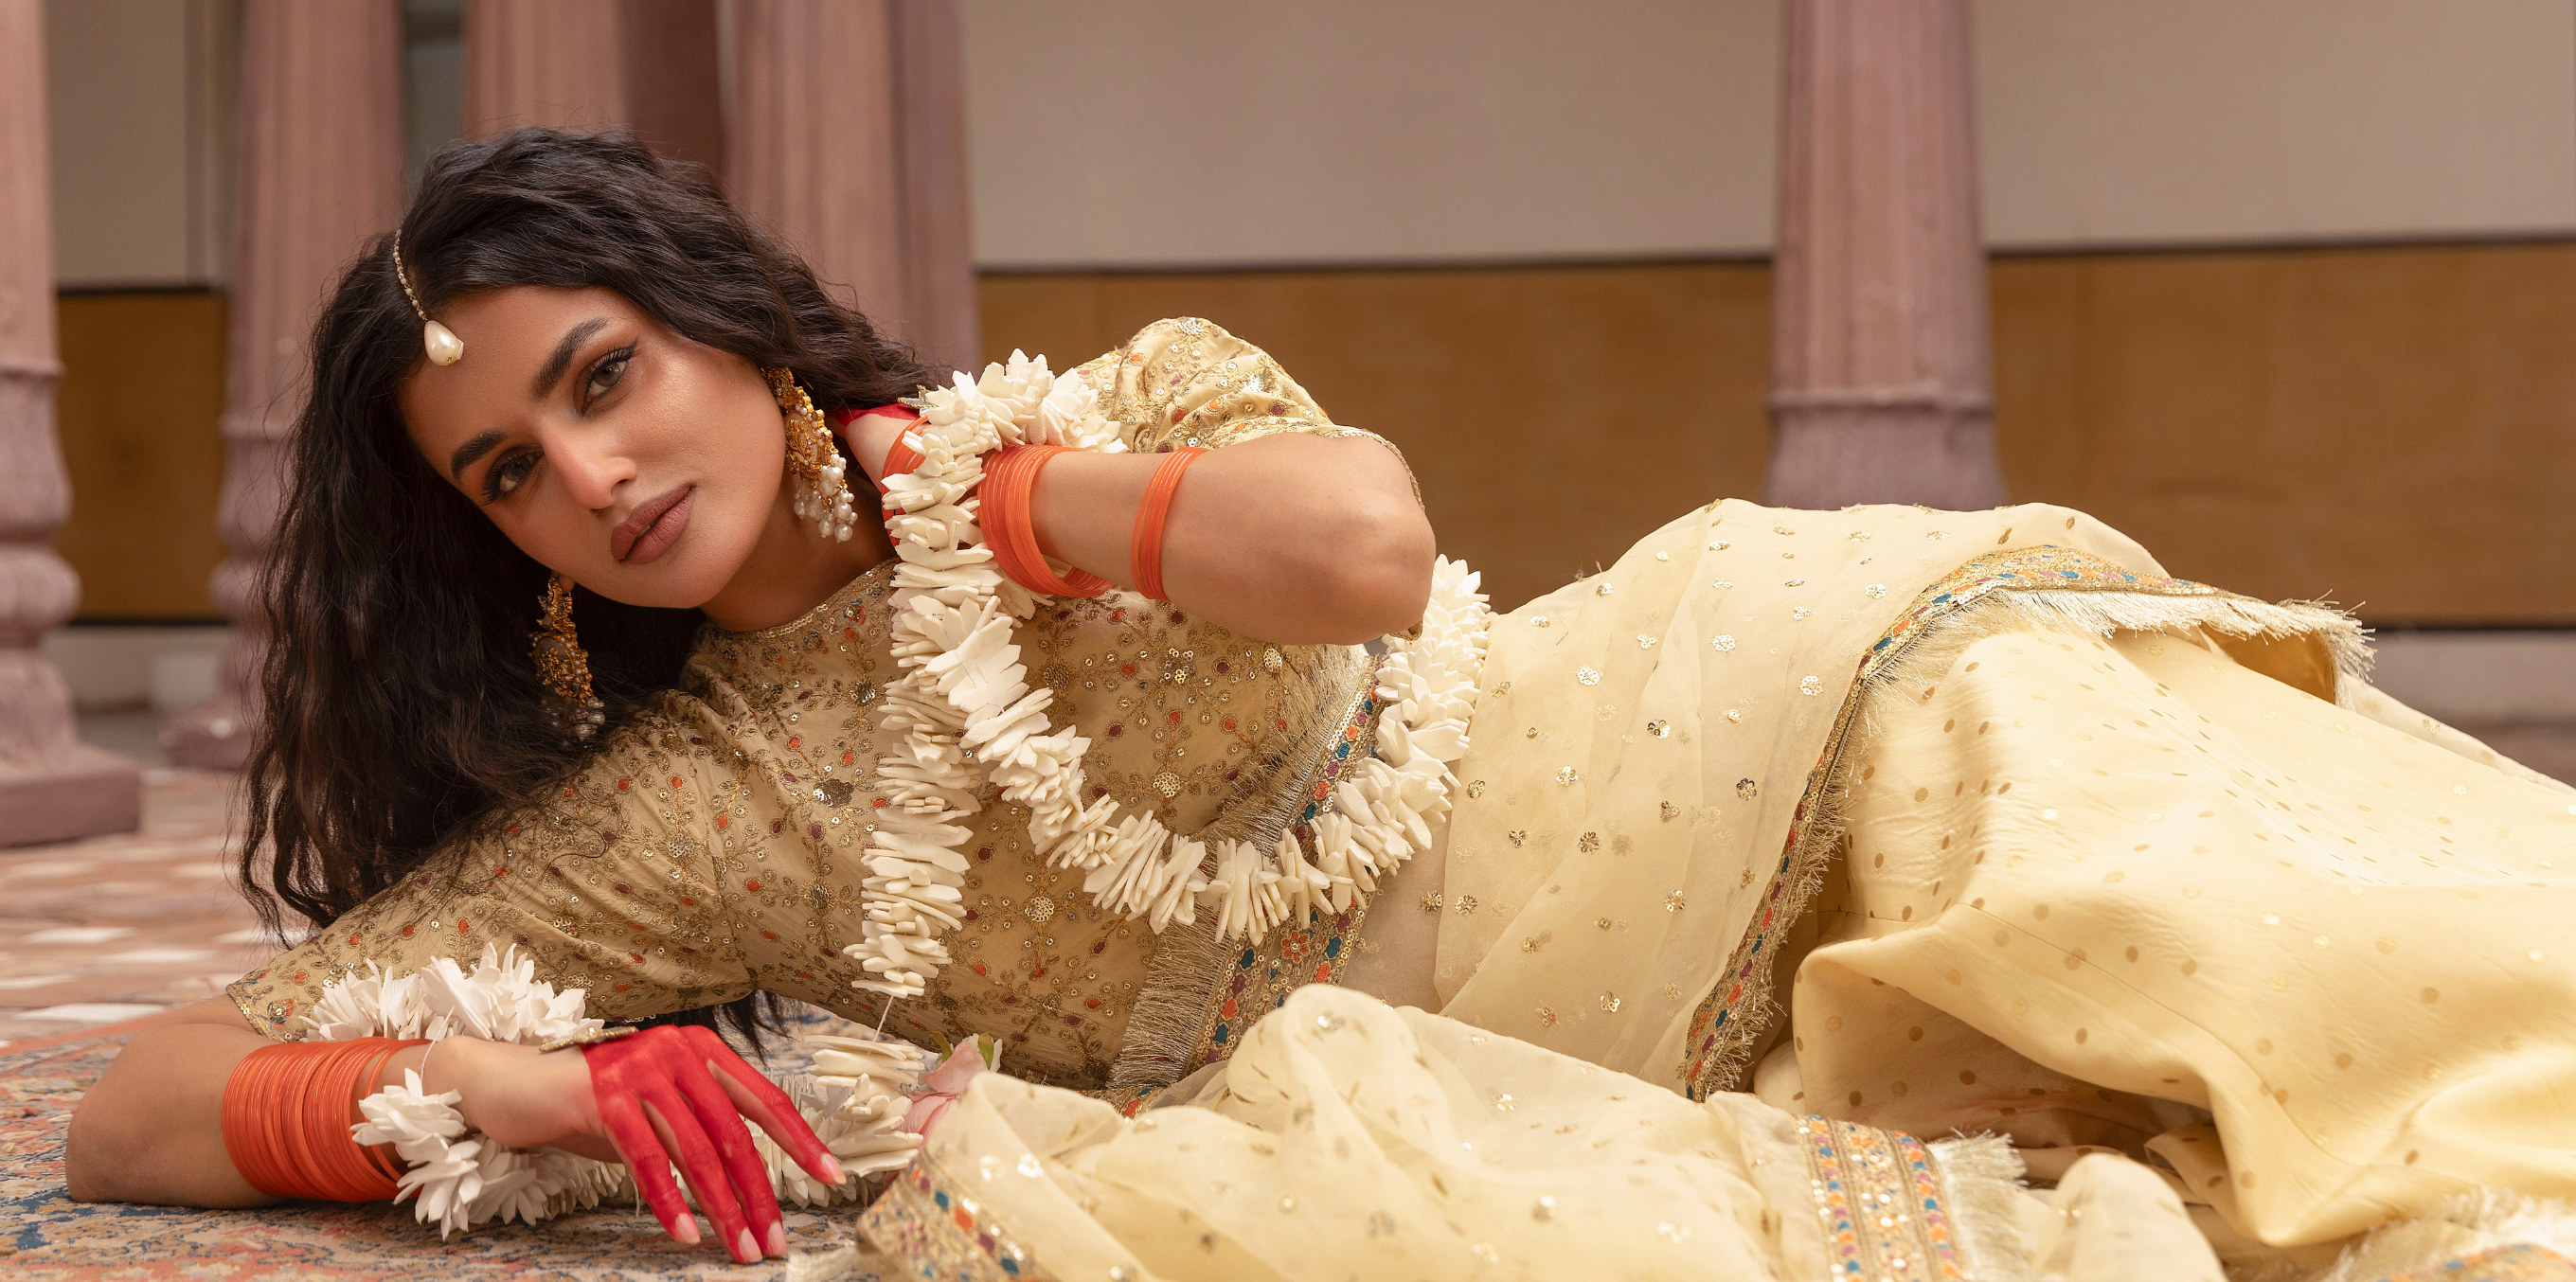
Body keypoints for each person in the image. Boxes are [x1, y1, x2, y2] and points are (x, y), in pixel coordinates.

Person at [65, 129, 2576, 1282]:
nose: (595, 470)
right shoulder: (687, 815)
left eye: (609, 376)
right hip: (1455, 1036)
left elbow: (1362, 544)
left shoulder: (1103, 405)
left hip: (1675, 715)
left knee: (2047, 739)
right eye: (513, 467)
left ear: (715, 313)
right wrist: (536, 1084)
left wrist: (1013, 503)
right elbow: (140, 1098)